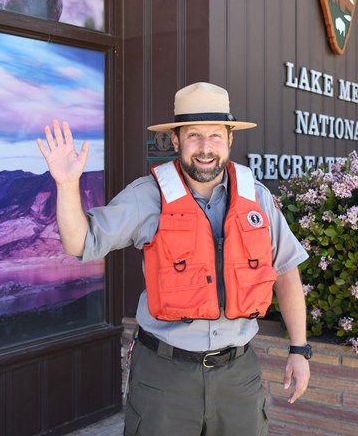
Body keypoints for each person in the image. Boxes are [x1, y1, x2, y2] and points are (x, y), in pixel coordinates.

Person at [37, 82, 311, 436]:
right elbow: (81, 243)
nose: (205, 148)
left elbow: (286, 271)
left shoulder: (256, 197)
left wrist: (299, 349)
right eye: (193, 135)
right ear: (176, 141)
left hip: (238, 376)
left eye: (215, 135)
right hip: (164, 377)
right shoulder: (146, 197)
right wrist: (67, 184)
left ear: (230, 139)